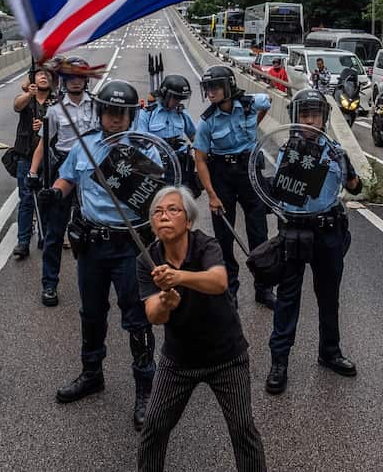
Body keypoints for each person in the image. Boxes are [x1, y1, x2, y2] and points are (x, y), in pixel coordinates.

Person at [38, 80, 157, 429]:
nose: (115, 118)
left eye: (122, 113)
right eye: (110, 111)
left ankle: (145, 388)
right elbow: (67, 179)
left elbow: (158, 197)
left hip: (130, 246)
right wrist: (54, 194)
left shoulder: (145, 151)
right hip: (92, 244)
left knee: (136, 317)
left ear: (131, 116)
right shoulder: (85, 145)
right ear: (100, 111)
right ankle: (92, 373)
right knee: (91, 312)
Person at [137, 186, 267, 472]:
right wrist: (165, 303)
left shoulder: (206, 245)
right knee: (153, 428)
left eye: (173, 210)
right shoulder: (147, 259)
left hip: (227, 357)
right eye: (157, 212)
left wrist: (179, 277)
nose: (164, 216)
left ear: (188, 220)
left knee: (243, 430)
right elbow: (153, 315)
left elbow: (218, 281)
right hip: (178, 361)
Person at [265, 89, 361, 395]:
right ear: (295, 117)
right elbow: (276, 193)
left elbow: (355, 187)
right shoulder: (288, 151)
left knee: (329, 295)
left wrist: (347, 168)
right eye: (304, 115)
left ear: (324, 118)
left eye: (315, 115)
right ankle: (279, 361)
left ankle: (330, 351)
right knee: (288, 297)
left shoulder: (335, 152)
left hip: (327, 231)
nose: (309, 121)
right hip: (294, 232)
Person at [194, 64, 274, 308]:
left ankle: (264, 288)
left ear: (228, 87)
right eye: (207, 88)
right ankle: (230, 288)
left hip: (249, 172)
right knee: (224, 237)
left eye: (215, 87)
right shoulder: (207, 122)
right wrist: (211, 195)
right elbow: (200, 160)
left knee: (259, 232)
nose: (210, 93)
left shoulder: (250, 104)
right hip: (222, 175)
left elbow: (269, 101)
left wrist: (253, 127)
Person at [28, 57, 100, 307]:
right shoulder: (55, 109)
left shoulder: (97, 106)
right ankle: (49, 283)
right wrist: (33, 172)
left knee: (94, 228)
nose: (75, 81)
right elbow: (43, 142)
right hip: (63, 170)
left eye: (80, 77)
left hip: (90, 172)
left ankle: (94, 283)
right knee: (55, 231)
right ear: (64, 80)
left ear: (86, 80)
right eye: (71, 77)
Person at [11, 66, 56, 260]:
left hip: (49, 158)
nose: (43, 77)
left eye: (47, 75)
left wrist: (45, 126)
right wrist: (29, 94)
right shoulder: (26, 98)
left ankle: (44, 236)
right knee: (26, 199)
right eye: (39, 74)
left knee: (46, 199)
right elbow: (16, 106)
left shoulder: (57, 102)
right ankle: (23, 241)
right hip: (25, 155)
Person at [136, 74, 198, 198]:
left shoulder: (181, 113)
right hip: (157, 167)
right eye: (175, 98)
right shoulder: (147, 113)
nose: (177, 102)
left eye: (180, 99)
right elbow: (140, 143)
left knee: (182, 201)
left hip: (180, 166)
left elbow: (195, 137)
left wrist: (199, 163)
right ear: (165, 95)